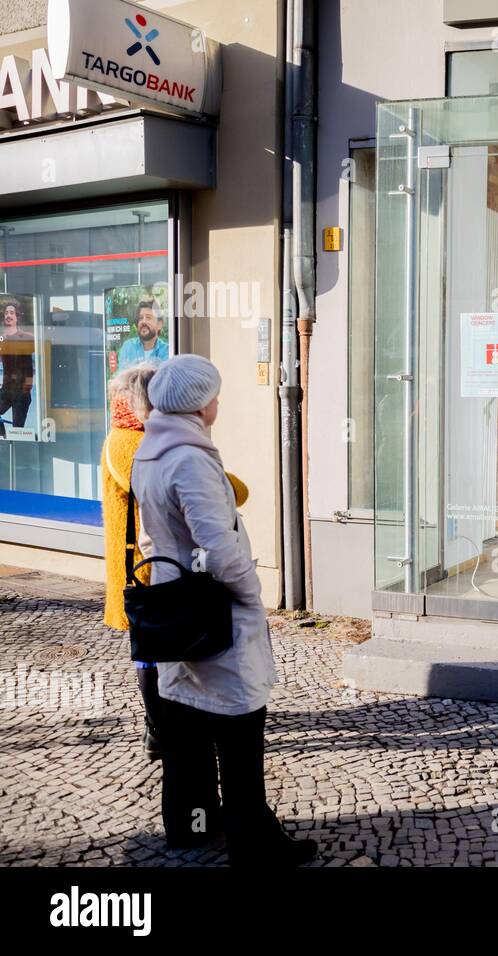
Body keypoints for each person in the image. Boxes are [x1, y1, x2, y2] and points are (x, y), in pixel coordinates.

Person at [133, 354, 315, 865]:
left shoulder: (152, 447)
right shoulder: (189, 457)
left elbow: (154, 535)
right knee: (238, 730)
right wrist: (250, 592)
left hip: (172, 603)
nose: (218, 402)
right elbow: (217, 546)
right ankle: (253, 842)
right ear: (197, 403)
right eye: (213, 394)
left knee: (186, 721)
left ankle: (190, 825)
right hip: (209, 606)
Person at [101, 365, 164, 760]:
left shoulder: (136, 437)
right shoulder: (128, 443)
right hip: (141, 568)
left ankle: (163, 722)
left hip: (144, 564)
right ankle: (156, 728)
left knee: (154, 646)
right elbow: (161, 484)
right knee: (150, 648)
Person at [0, 297, 35, 436]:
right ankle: (2, 437)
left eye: (11, 313)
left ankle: (16, 448)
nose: (8, 315)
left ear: (17, 317)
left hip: (22, 392)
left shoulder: (26, 337)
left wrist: (27, 386)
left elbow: (29, 365)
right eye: (6, 313)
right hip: (6, 389)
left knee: (18, 430)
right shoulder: (1, 338)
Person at [116, 298, 170, 366]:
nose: (143, 321)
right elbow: (123, 375)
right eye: (141, 318)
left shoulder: (167, 351)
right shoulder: (128, 347)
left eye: (148, 317)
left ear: (159, 324)